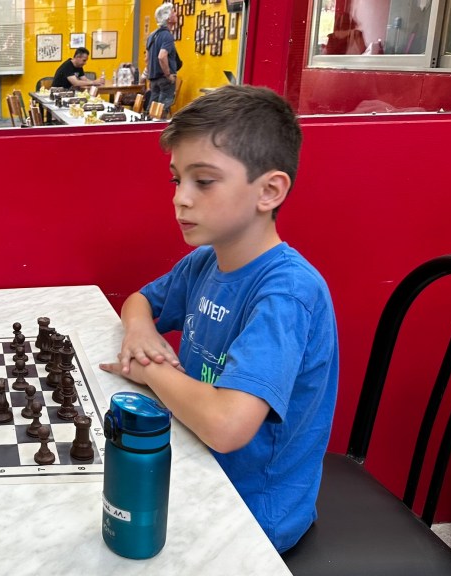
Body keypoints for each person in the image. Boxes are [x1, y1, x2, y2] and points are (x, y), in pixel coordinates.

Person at [99, 85, 338, 554]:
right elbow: (140, 301)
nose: (180, 199)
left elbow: (227, 426)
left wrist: (149, 368)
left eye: (203, 181)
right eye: (176, 180)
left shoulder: (286, 293)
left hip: (251, 513)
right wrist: (141, 330)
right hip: (197, 463)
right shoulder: (206, 261)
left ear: (269, 190)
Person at [145, 2, 182, 119]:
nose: (176, 14)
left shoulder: (151, 36)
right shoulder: (167, 35)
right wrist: (168, 75)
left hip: (153, 79)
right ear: (168, 18)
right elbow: (162, 56)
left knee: (152, 112)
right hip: (164, 79)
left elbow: (147, 59)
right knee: (161, 113)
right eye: (173, 12)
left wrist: (149, 76)